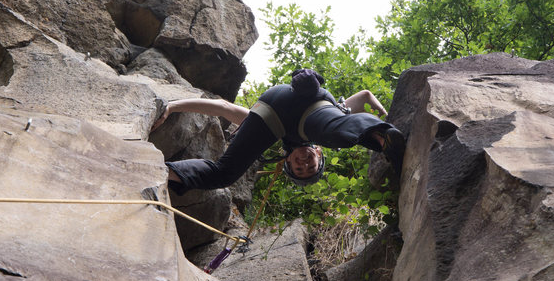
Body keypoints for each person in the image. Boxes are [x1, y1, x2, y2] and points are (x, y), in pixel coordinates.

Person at [151, 69, 405, 195]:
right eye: (310, 166)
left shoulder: (270, 136)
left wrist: (173, 107)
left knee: (225, 174)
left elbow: (222, 108)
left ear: (287, 162)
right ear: (318, 154)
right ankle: (382, 136)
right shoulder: (322, 134)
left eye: (299, 169)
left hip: (290, 112)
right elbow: (363, 96)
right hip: (296, 102)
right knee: (335, 130)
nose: (304, 164)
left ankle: (162, 172)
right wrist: (173, 107)